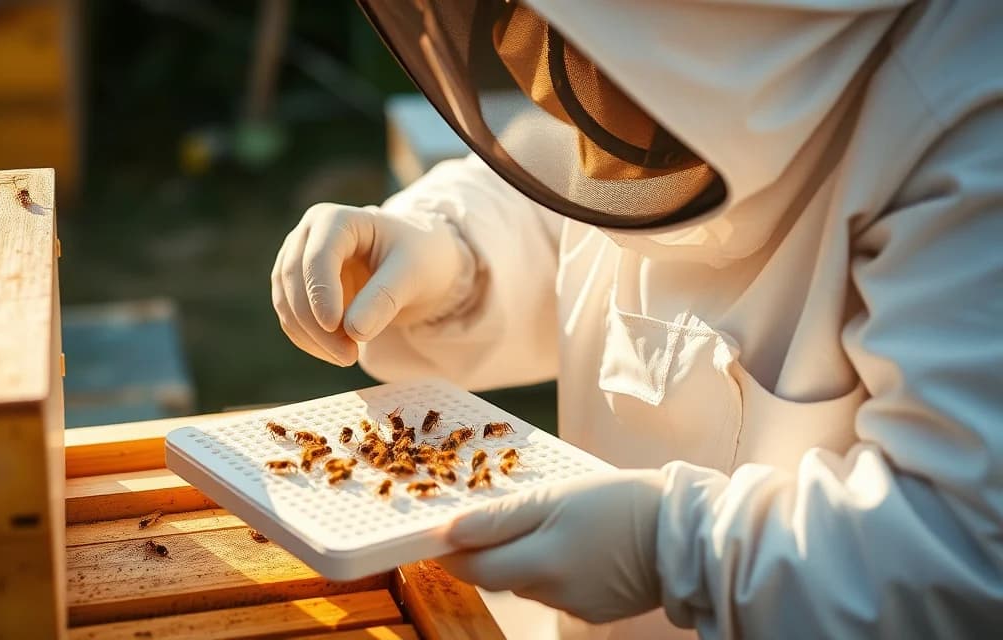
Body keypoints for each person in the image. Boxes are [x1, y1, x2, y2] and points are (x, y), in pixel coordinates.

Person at [270, 1, 1003, 638]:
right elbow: (588, 189)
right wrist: (451, 251)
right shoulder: (660, 60)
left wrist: (678, 552)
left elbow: (966, 555)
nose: (544, 83)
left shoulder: (967, 119)